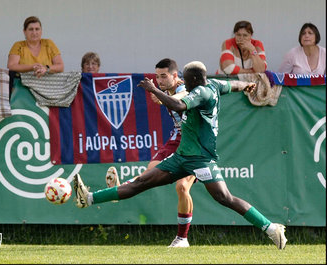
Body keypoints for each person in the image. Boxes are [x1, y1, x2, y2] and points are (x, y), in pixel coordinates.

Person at [73, 61, 288, 250]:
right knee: (141, 182)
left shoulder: (201, 92)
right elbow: (234, 84)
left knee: (224, 197)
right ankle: (88, 198)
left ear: (192, 79)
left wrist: (153, 89)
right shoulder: (214, 84)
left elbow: (178, 104)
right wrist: (246, 85)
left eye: (185, 78)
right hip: (182, 156)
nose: (184, 81)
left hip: (201, 159)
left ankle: (271, 228)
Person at [105, 58, 195, 248]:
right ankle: (118, 191)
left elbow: (184, 97)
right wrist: (161, 94)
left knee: (182, 188)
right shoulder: (164, 91)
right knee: (149, 173)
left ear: (175, 75)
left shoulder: (182, 88)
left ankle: (182, 238)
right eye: (157, 77)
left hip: (193, 144)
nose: (160, 80)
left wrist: (161, 95)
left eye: (164, 76)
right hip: (175, 140)